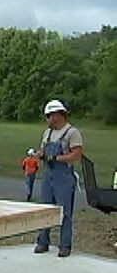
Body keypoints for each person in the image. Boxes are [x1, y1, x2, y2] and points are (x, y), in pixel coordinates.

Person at [34, 100, 83, 258]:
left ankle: (65, 245)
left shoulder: (72, 133)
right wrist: (40, 154)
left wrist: (56, 158)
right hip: (48, 174)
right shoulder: (47, 133)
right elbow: (43, 149)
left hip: (64, 176)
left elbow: (76, 155)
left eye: (49, 116)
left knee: (64, 212)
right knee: (45, 209)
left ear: (57, 115)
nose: (47, 119)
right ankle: (43, 241)